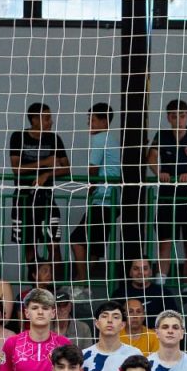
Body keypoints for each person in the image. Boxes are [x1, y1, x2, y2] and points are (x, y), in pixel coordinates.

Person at [147, 99, 187, 285]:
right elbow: (151, 156)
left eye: (182, 116)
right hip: (168, 195)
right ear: (168, 117)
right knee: (164, 240)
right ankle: (160, 282)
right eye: (174, 116)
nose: (179, 120)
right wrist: (158, 172)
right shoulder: (163, 135)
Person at [9, 102, 71, 269]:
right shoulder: (18, 136)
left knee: (54, 245)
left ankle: (54, 287)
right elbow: (16, 168)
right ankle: (35, 283)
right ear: (34, 120)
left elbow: (66, 168)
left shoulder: (54, 138)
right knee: (29, 246)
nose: (50, 121)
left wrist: (47, 174)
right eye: (46, 118)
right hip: (23, 199)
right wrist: (45, 162)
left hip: (46, 199)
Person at [69, 103, 121, 284]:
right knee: (95, 247)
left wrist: (90, 191)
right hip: (111, 199)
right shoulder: (112, 139)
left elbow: (93, 170)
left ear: (104, 121)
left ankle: (82, 282)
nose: (89, 124)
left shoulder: (100, 139)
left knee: (76, 240)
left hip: (103, 199)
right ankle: (85, 283)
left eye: (92, 120)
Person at [82, 301, 142, 371]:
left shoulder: (134, 354)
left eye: (115, 317)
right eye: (104, 316)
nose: (110, 320)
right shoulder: (84, 356)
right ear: (96, 323)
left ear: (123, 325)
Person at [111, 258, 177, 327]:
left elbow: (174, 320)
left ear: (151, 272)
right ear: (130, 272)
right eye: (136, 269)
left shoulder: (164, 293)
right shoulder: (119, 294)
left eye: (145, 269)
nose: (140, 272)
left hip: (156, 336)